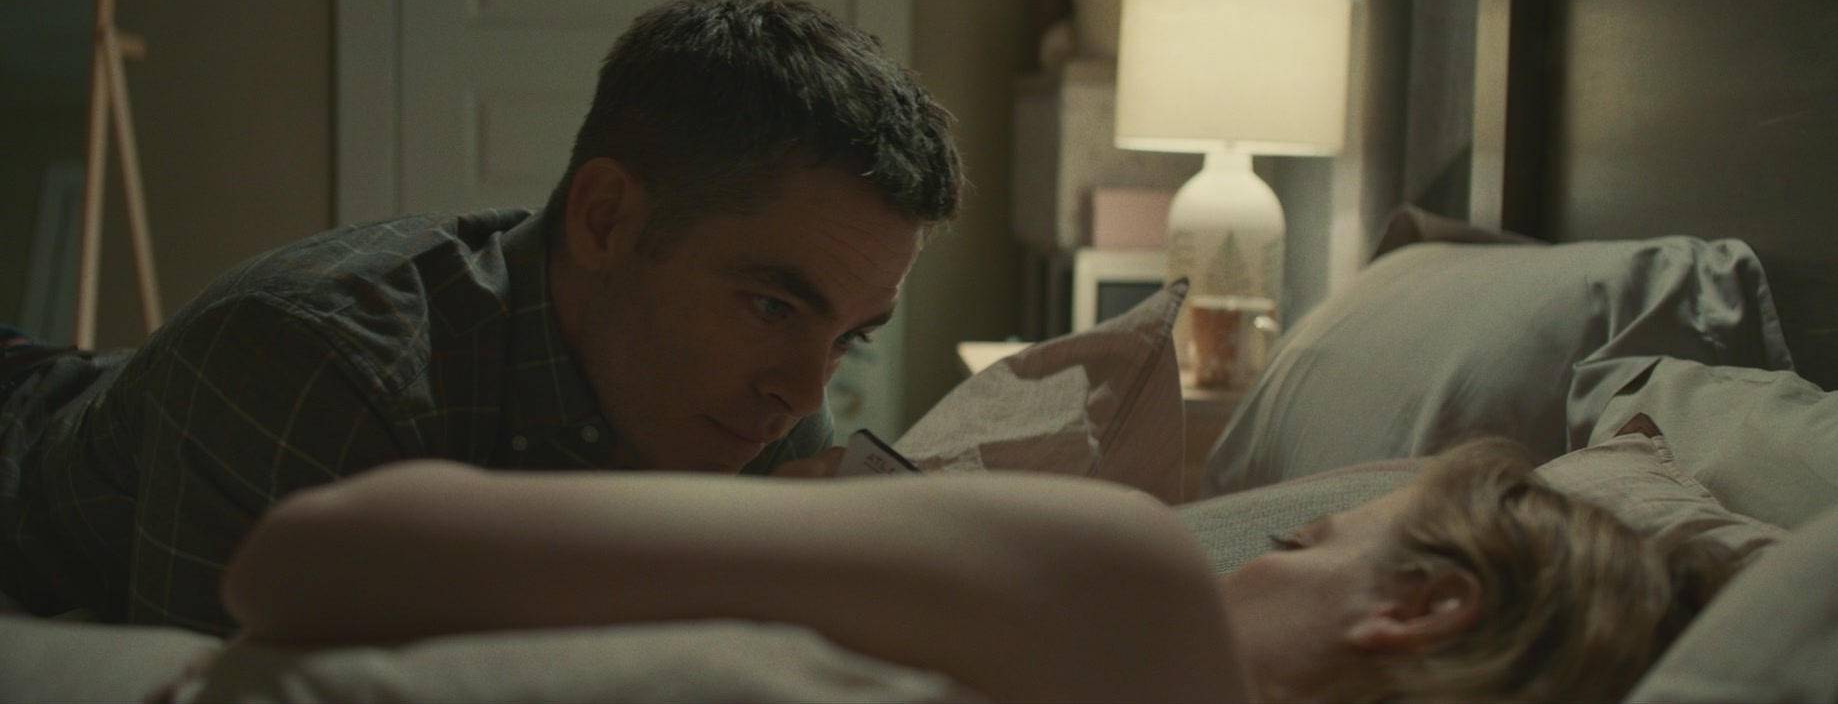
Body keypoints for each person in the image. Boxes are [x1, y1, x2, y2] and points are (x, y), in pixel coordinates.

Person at [0, 0, 963, 634]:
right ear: (605, 219)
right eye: (769, 305)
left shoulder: (764, 399)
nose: (803, 395)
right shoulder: (317, 361)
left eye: (847, 338)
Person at [217, 438, 1737, 703]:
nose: (1246, 561)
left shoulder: (1122, 591)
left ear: (1419, 606)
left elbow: (306, 555)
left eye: (1296, 542)